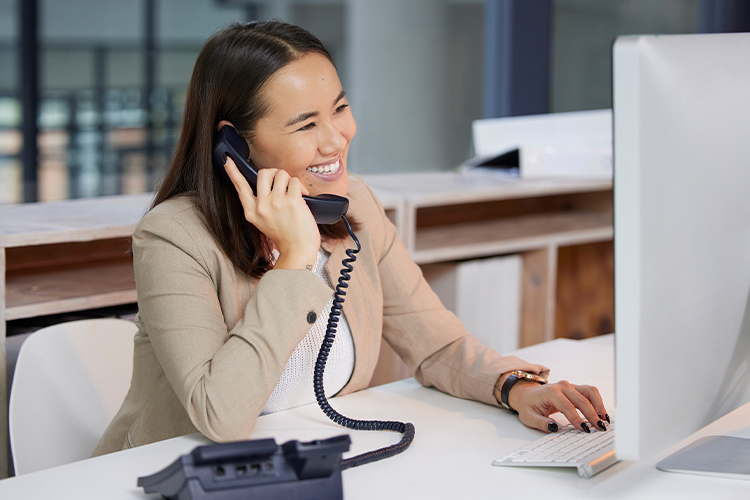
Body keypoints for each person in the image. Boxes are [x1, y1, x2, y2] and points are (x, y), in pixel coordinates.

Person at [92, 20, 608, 457]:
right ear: (235, 145)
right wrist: (294, 263)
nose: (337, 138)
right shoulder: (175, 237)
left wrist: (514, 387)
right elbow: (219, 416)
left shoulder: (354, 206)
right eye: (305, 125)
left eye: (338, 109)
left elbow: (438, 345)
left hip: (306, 462)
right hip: (181, 473)